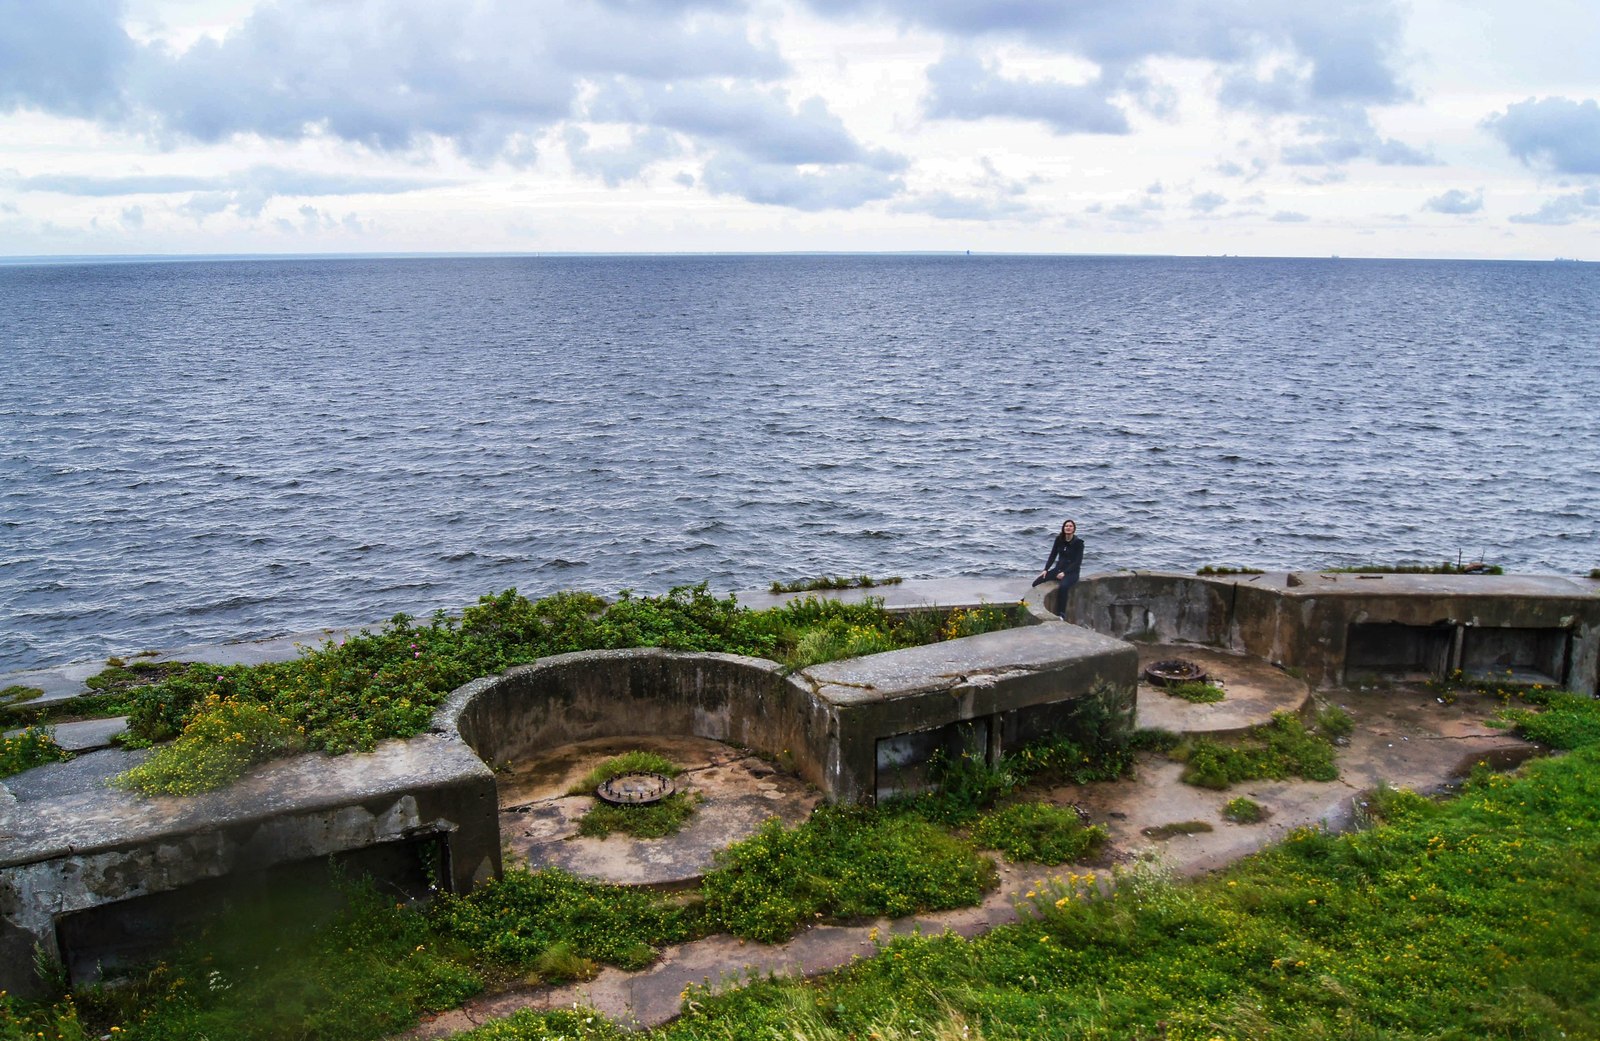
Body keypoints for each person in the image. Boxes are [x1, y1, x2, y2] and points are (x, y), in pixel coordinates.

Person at [1036, 519, 1084, 619]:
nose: (1068, 528)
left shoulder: (1078, 543)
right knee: (1037, 582)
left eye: (1071, 526)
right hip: (1058, 570)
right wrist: (1046, 569)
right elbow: (1053, 555)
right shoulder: (1059, 539)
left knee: (1063, 587)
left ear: (1074, 529)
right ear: (1063, 528)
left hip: (1072, 573)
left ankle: (1061, 614)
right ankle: (1026, 603)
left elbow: (1077, 562)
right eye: (1066, 526)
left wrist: (1065, 573)